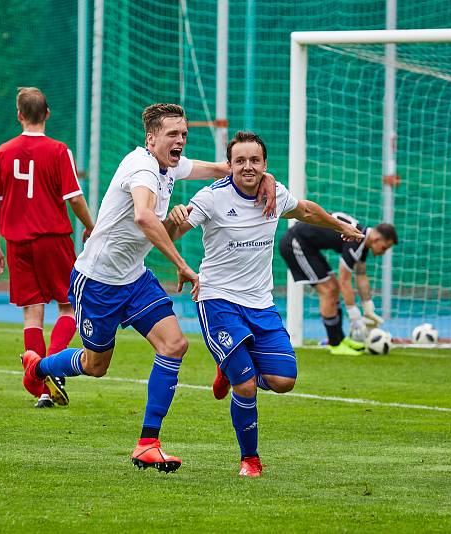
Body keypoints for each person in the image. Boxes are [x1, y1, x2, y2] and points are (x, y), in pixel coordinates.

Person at [21, 106, 278, 472]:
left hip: (135, 279)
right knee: (96, 366)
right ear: (151, 138)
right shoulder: (141, 168)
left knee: (175, 344)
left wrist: (262, 177)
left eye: (184, 134)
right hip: (98, 282)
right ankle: (40, 366)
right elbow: (144, 215)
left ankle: (147, 442)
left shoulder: (169, 164)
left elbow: (220, 169)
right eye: (172, 134)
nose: (180, 141)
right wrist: (180, 263)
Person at [164, 130, 364, 477]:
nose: (247, 167)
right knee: (244, 385)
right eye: (239, 160)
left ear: (265, 164)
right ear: (230, 165)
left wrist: (340, 228)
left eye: (254, 160)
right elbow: (170, 234)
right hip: (218, 300)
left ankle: (229, 366)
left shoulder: (275, 192)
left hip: (261, 304)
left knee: (285, 380)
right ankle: (250, 459)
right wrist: (174, 220)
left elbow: (306, 211)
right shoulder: (211, 198)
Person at [0, 87, 95, 408]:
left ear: (19, 115)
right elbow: (73, 198)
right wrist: (91, 225)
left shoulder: (3, 152)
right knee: (68, 305)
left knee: (32, 313)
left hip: (17, 242)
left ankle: (42, 387)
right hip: (53, 237)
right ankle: (53, 369)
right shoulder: (59, 150)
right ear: (47, 114)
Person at [279, 212, 397, 356]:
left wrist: (368, 307)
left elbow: (361, 275)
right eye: (385, 247)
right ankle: (334, 344)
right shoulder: (355, 241)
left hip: (308, 246)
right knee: (329, 290)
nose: (383, 252)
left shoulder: (362, 239)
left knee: (333, 288)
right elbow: (345, 280)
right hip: (295, 243)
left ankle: (340, 339)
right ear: (377, 238)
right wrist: (354, 316)